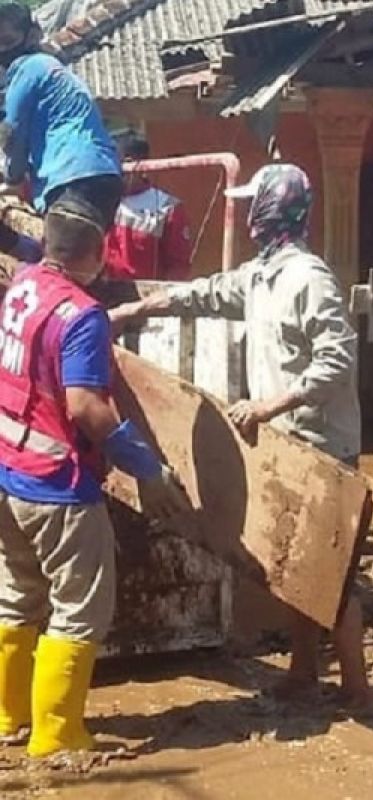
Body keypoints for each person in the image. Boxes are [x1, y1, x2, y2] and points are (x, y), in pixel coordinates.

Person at [109, 164, 370, 709]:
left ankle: (359, 690)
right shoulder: (261, 275)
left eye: (257, 203)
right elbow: (204, 294)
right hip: (285, 442)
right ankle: (303, 673)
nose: (252, 214)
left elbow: (337, 361)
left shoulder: (309, 278)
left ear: (274, 209)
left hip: (321, 443)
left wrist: (273, 403)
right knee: (296, 570)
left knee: (331, 576)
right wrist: (135, 309)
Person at [0, 200, 189, 757]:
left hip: (8, 470)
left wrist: (112, 321)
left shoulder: (24, 286)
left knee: (16, 596)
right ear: (97, 250)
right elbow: (86, 406)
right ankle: (57, 736)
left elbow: (45, 340)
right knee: (80, 609)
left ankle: (8, 717)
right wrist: (147, 469)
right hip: (57, 484)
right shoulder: (79, 314)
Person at [0, 3, 121, 233]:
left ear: (32, 35)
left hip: (70, 177)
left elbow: (11, 133)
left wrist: (12, 180)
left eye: (7, 41)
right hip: (103, 174)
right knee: (82, 259)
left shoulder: (27, 68)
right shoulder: (53, 70)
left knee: (63, 260)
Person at [104, 132, 192, 282]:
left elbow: (178, 268)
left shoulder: (167, 208)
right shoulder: (100, 199)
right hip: (101, 296)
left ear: (131, 164)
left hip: (144, 298)